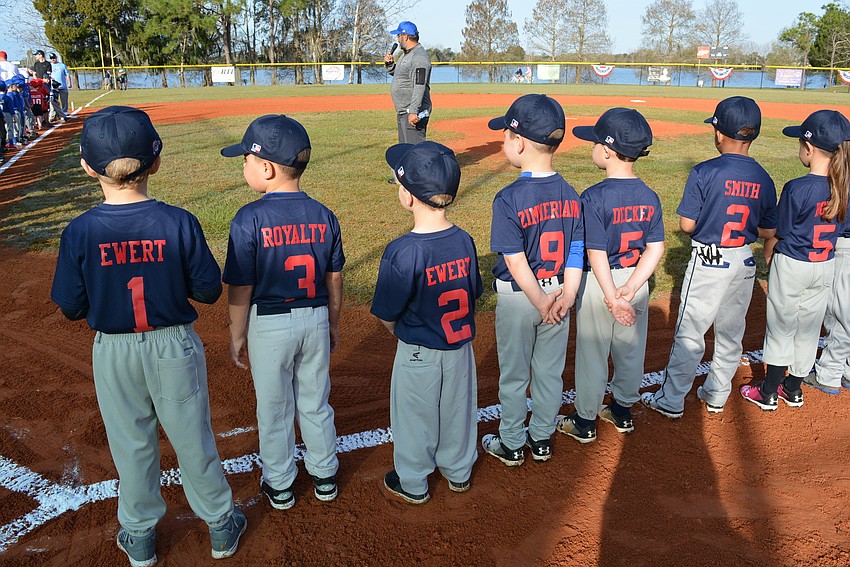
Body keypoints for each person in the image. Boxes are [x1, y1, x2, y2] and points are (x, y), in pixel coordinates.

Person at [50, 106, 247, 567]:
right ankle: (220, 524)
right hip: (172, 344)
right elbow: (207, 290)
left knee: (131, 442)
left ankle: (139, 536)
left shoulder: (79, 231)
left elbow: (72, 306)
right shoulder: (178, 222)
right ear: (154, 162)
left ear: (86, 166)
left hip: (113, 352)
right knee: (193, 437)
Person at [221, 115, 343, 510]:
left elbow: (241, 287)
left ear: (267, 168)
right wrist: (333, 323)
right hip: (316, 318)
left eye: (246, 159)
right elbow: (334, 279)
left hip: (271, 324)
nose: (243, 166)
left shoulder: (248, 218)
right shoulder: (325, 215)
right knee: (315, 400)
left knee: (274, 407)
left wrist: (237, 334)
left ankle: (280, 483)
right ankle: (324, 474)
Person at [642, 96, 777, 418]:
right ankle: (717, 395)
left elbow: (687, 225)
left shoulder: (705, 171)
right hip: (744, 262)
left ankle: (672, 400)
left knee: (691, 331)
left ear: (719, 133)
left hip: (709, 260)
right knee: (732, 334)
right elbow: (768, 231)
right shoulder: (763, 177)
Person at [373, 141, 483, 504]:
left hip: (418, 350)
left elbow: (388, 314)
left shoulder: (403, 250)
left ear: (407, 197)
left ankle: (414, 483)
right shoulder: (465, 241)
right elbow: (474, 293)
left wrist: (404, 335)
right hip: (460, 349)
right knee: (458, 412)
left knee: (413, 419)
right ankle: (459, 472)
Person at [481, 94, 584, 466]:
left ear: (519, 142)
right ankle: (541, 438)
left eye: (506, 136)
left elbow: (515, 258)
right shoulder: (571, 194)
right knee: (549, 374)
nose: (504, 143)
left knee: (513, 376)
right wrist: (568, 294)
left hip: (521, 298)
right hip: (559, 293)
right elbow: (576, 249)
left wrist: (540, 301)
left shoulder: (508, 197)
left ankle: (511, 442)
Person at [559, 108, 665, 442]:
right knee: (630, 348)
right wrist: (632, 287)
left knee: (593, 352)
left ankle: (585, 420)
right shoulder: (650, 195)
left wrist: (610, 295)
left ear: (606, 150)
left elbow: (597, 252)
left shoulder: (592, 196)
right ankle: (621, 412)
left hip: (599, 285)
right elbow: (656, 248)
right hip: (636, 282)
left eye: (594, 142)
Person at [741, 110, 850, 410]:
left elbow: (779, 233)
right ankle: (794, 388)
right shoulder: (843, 187)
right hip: (825, 264)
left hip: (793, 264)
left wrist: (768, 256)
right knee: (809, 328)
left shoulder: (797, 187)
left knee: (781, 326)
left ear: (810, 148)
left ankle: (769, 391)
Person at [384, 21, 431, 144]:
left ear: (405, 36)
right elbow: (402, 76)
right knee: (406, 150)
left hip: (413, 112)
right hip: (404, 111)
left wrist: (413, 111)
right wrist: (390, 66)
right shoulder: (406, 55)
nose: (398, 40)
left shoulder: (419, 57)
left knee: (415, 150)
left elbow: (419, 85)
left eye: (398, 36)